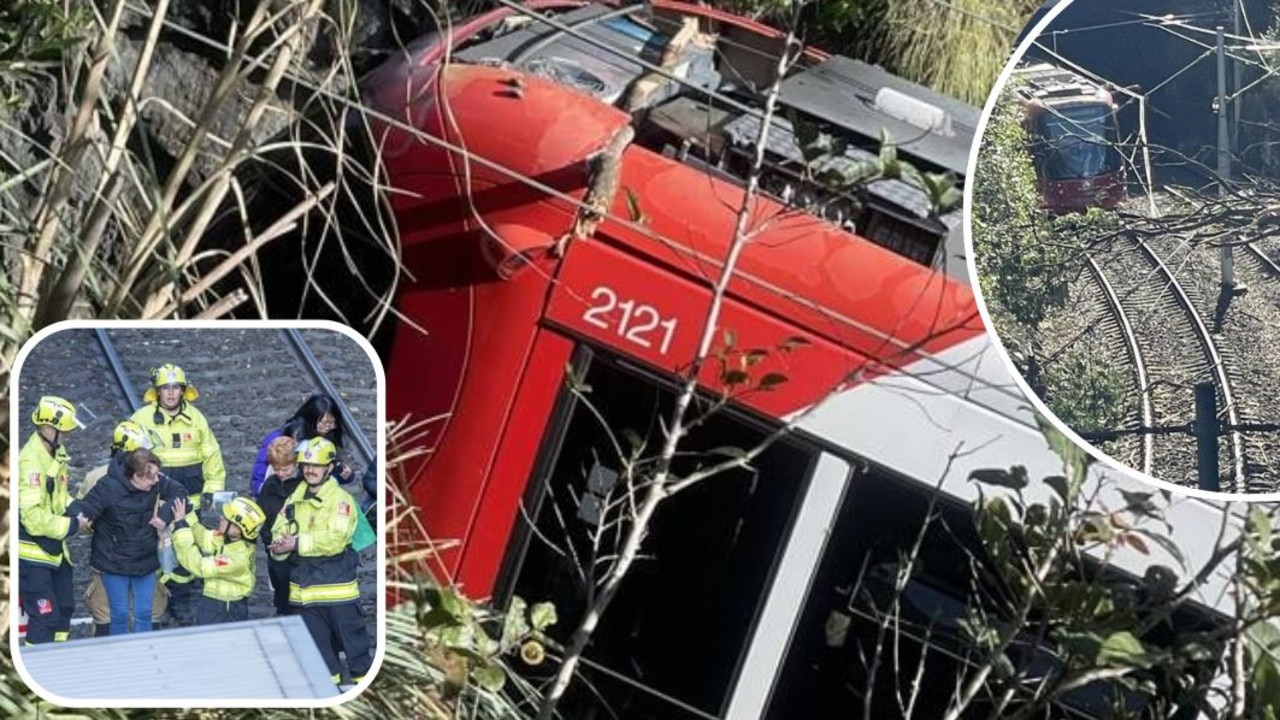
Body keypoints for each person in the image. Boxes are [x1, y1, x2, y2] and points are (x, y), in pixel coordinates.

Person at [269, 437, 372, 685]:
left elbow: (335, 540)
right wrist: (280, 548)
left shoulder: (341, 501)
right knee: (320, 660)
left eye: (316, 465)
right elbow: (278, 530)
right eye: (306, 465)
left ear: (329, 468)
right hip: (305, 596)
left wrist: (297, 543)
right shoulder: (294, 499)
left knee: (358, 658)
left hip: (338, 595)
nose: (310, 470)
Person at [130, 363, 226, 626]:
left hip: (188, 504)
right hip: (152, 503)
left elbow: (212, 459)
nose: (170, 393)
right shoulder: (141, 420)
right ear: (157, 392)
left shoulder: (197, 419)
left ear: (183, 391)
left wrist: (212, 495)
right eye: (165, 388)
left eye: (175, 388)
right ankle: (157, 605)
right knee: (153, 555)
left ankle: (181, 602)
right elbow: (126, 458)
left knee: (184, 553)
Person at [75, 447, 185, 635]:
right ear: (136, 475)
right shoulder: (108, 486)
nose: (157, 480)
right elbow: (87, 507)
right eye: (151, 477)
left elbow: (179, 492)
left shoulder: (155, 480)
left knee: (145, 612)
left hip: (145, 559)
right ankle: (120, 656)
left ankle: (144, 652)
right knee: (119, 614)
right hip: (113, 561)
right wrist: (80, 517)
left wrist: (164, 516)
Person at [18, 396, 86, 644]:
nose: (66, 436)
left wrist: (76, 506)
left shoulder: (54, 453)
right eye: (64, 432)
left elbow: (58, 497)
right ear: (49, 428)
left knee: (64, 610)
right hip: (33, 556)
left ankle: (60, 661)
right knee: (45, 617)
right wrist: (71, 525)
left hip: (54, 551)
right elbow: (33, 518)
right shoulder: (30, 464)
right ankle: (36, 667)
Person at [170, 494, 264, 625]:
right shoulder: (231, 541)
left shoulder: (235, 559)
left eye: (226, 518)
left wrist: (180, 528)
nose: (221, 517)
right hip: (217, 605)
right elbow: (203, 537)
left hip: (223, 610)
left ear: (239, 529)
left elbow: (199, 566)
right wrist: (188, 514)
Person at [251, 393, 355, 498]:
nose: (327, 428)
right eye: (322, 423)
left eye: (331, 423)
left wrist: (345, 476)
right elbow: (261, 467)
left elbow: (326, 474)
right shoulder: (284, 437)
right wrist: (261, 491)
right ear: (311, 419)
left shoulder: (332, 438)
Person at [256, 435, 304, 616]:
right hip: (275, 550)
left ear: (296, 463)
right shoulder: (270, 484)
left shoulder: (305, 484)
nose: (281, 474)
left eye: (286, 469)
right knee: (280, 587)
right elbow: (261, 516)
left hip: (298, 551)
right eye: (277, 469)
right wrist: (268, 540)